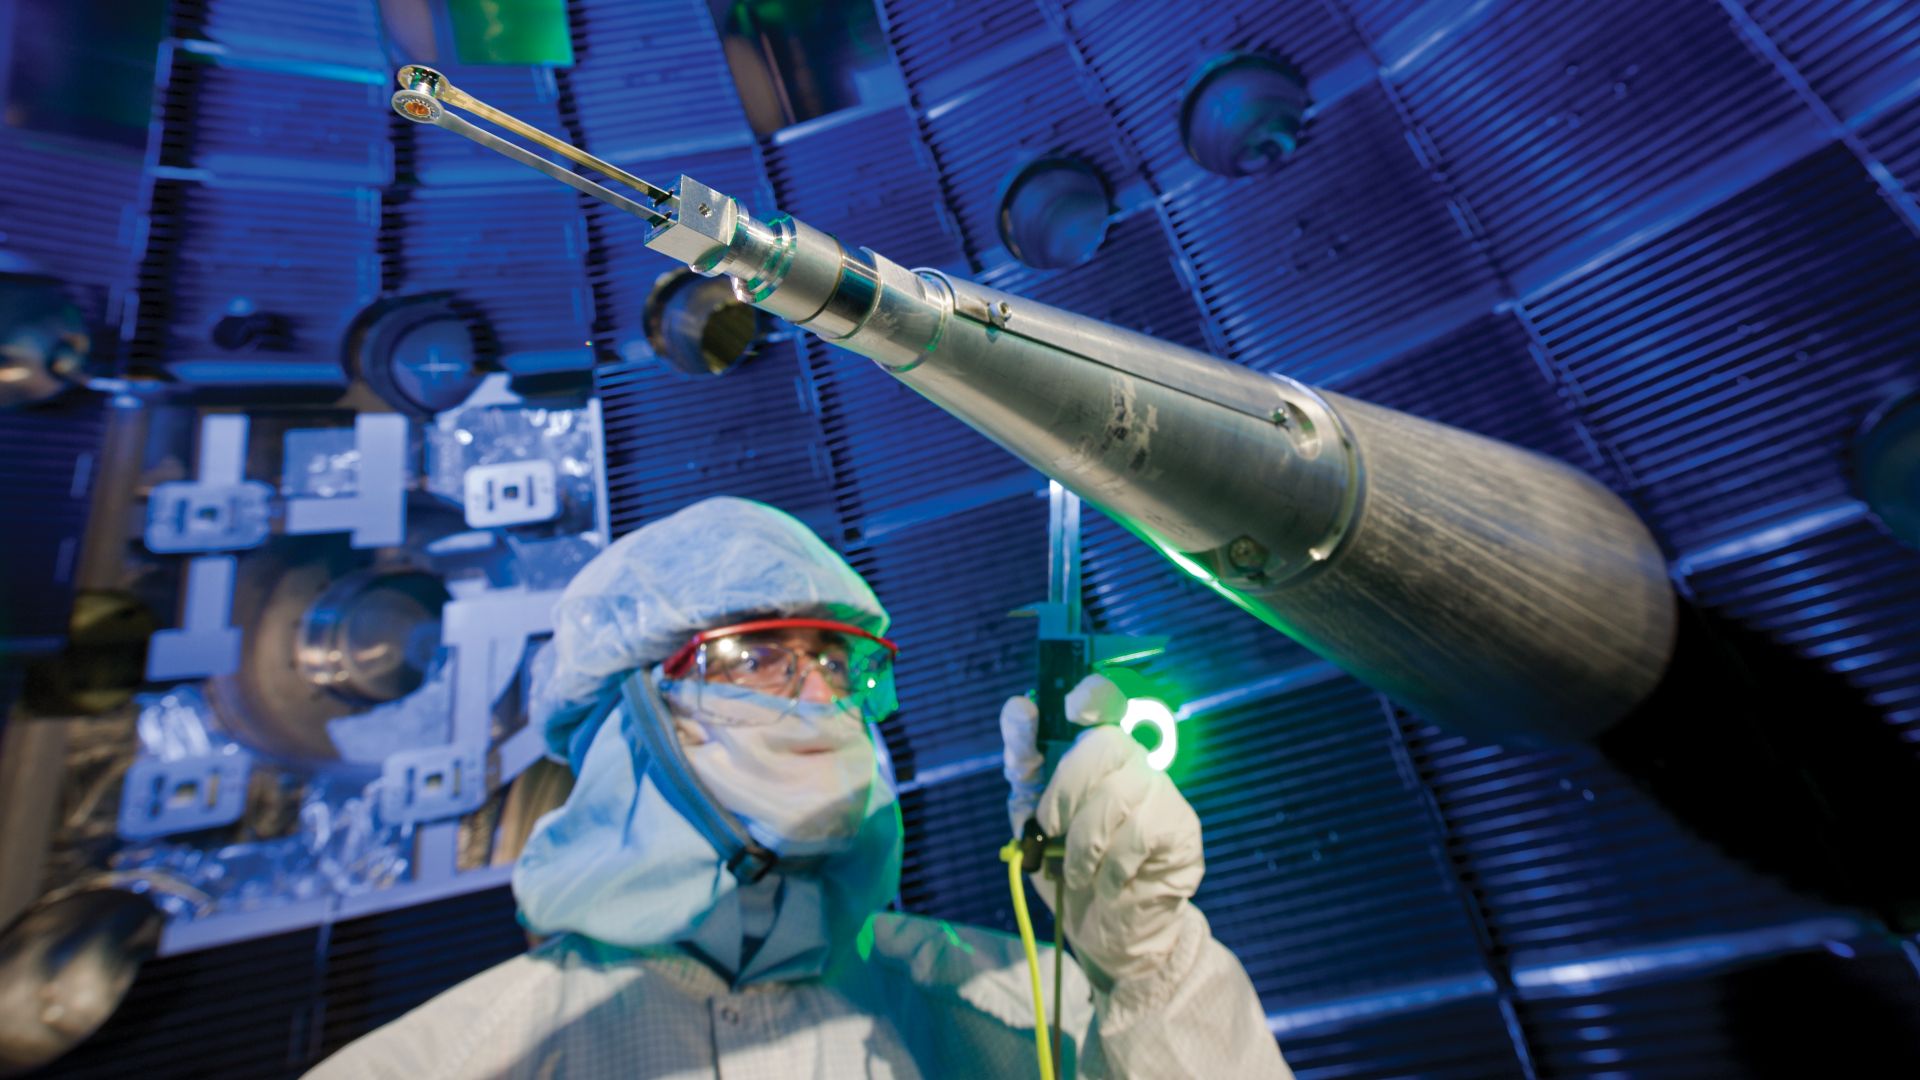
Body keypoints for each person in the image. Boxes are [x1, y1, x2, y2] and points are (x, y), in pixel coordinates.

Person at [309, 496, 1289, 1078]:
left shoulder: (986, 1000)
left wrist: (1150, 964)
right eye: (755, 658)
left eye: (837, 662)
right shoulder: (473, 1055)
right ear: (629, 723)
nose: (818, 695)